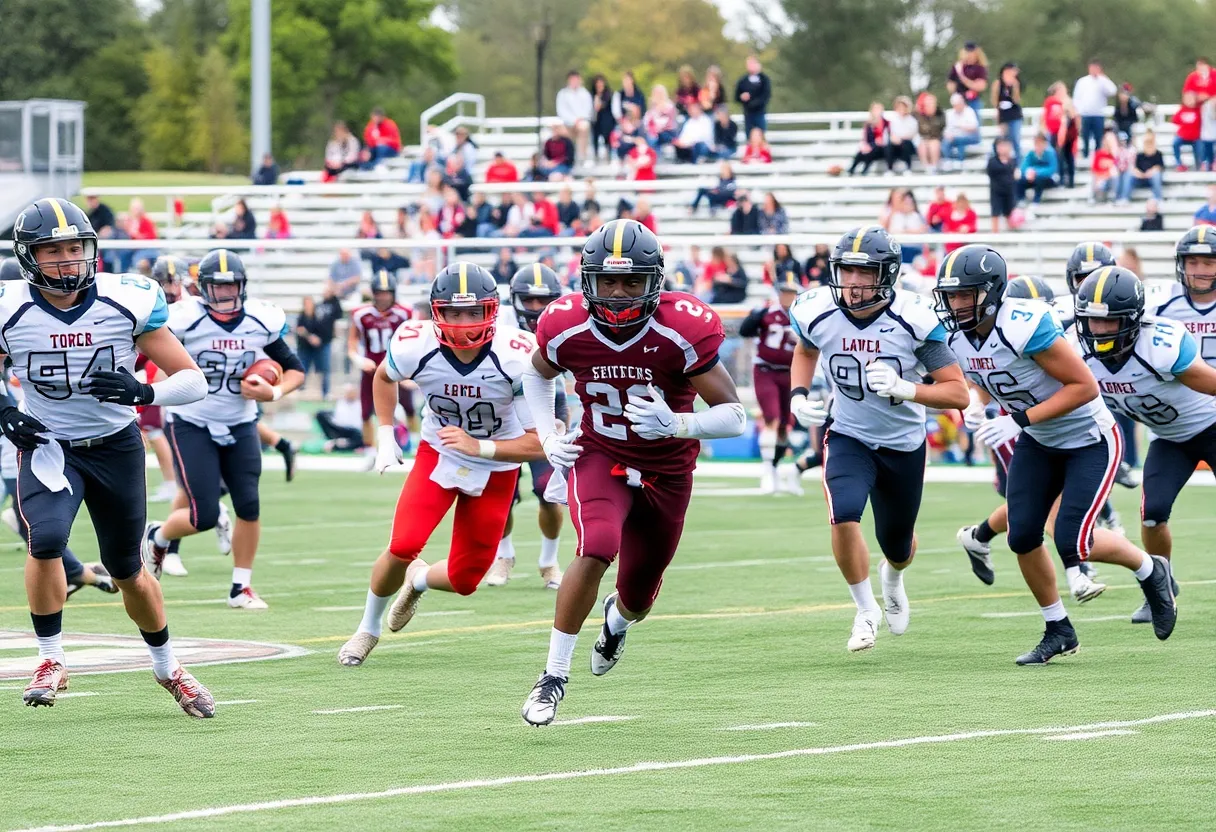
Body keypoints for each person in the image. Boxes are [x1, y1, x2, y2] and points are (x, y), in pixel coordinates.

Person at [518, 219, 745, 726]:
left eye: (631, 282)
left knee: (638, 597)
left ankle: (616, 624)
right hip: (601, 454)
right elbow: (535, 374)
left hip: (668, 471)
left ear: (655, 283)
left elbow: (734, 415)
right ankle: (553, 675)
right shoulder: (565, 324)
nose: (618, 294)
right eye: (607, 281)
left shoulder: (681, 328)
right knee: (596, 545)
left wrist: (677, 422)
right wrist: (548, 435)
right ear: (586, 281)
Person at [1, 198, 214, 715]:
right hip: (50, 446)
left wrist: (144, 392)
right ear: (29, 257)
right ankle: (51, 659)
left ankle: (169, 668)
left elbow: (193, 380)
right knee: (46, 539)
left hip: (116, 446)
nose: (68, 260)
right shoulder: (10, 307)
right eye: (53, 251)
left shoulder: (126, 300)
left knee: (127, 569)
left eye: (75, 248)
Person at [933, 245, 1177, 664]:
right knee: (1023, 534)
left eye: (965, 295)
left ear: (991, 293)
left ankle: (1151, 570)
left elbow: (1084, 387)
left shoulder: (1023, 325)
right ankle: (1058, 628)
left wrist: (1018, 419)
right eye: (951, 296)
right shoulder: (956, 334)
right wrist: (976, 403)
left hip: (1089, 438)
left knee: (1072, 541)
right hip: (1041, 440)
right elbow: (982, 374)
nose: (956, 305)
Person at [338, 263, 544, 667]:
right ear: (436, 312)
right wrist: (384, 435)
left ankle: (417, 580)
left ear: (493, 311)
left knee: (466, 580)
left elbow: (539, 443)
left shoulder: (518, 355)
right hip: (440, 451)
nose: (464, 323)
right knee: (401, 546)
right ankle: (368, 629)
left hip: (497, 462)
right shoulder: (415, 342)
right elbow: (383, 377)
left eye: (473, 312)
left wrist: (479, 447)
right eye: (453, 312)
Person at [788, 227, 969, 653]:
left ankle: (893, 576)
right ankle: (865, 609)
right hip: (849, 433)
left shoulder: (913, 318)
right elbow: (805, 348)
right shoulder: (818, 310)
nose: (852, 282)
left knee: (899, 545)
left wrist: (908, 388)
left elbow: (957, 392)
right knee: (844, 513)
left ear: (886, 274)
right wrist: (798, 395)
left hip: (903, 443)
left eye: (863, 273)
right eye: (846, 271)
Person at [142, 249, 304, 609]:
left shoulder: (261, 319)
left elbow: (295, 368)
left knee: (249, 505)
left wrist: (273, 390)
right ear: (202, 289)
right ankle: (158, 534)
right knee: (205, 515)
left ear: (243, 286)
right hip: (192, 421)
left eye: (233, 286)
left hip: (241, 420)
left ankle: (240, 587)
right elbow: (151, 358)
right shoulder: (183, 319)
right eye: (218, 288)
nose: (226, 295)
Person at [1074, 265, 1215, 623]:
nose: (1100, 330)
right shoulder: (1075, 351)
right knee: (1153, 516)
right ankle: (1161, 589)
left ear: (1134, 319)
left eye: (1111, 321)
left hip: (1211, 425)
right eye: (1093, 321)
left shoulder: (1161, 345)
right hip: (1169, 440)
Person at [484, 263, 570, 590]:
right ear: (514, 299)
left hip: (548, 406)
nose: (535, 308)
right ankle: (504, 555)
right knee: (501, 494)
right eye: (529, 301)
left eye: (543, 300)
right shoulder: (497, 321)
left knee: (549, 489)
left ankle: (549, 561)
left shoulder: (565, 320)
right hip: (503, 410)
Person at [739, 272, 804, 495]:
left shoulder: (803, 316)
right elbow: (744, 331)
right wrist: (755, 316)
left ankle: (775, 467)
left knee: (786, 426)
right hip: (766, 370)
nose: (788, 297)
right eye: (785, 292)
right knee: (772, 418)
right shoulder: (767, 312)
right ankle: (767, 470)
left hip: (790, 373)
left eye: (792, 292)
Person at [348, 271, 414, 453]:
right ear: (373, 293)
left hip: (397, 367)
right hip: (372, 368)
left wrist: (412, 370)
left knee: (409, 407)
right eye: (380, 292)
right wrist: (358, 359)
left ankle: (414, 444)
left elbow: (414, 340)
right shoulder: (361, 314)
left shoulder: (404, 312)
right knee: (366, 411)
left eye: (387, 292)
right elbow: (352, 343)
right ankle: (370, 449)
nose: (383, 297)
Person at [296, 290, 343, 399]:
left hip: (321, 346)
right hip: (305, 348)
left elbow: (325, 328)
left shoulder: (320, 315)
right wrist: (308, 336)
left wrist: (317, 338)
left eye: (309, 303)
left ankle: (325, 392)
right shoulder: (302, 316)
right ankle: (301, 390)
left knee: (324, 369)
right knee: (302, 369)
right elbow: (299, 330)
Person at [1073, 59, 1116, 158]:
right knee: (1085, 137)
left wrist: (1104, 78)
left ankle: (1098, 156)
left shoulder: (1103, 81)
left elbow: (1113, 91)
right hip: (1085, 114)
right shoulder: (1083, 81)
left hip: (1098, 114)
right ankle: (1085, 156)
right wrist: (1078, 112)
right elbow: (1077, 98)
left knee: (1098, 138)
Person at [555, 70, 593, 165]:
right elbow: (561, 111)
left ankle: (581, 158)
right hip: (567, 124)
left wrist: (578, 119)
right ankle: (561, 158)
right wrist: (572, 120)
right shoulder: (563, 94)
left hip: (580, 122)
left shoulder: (585, 94)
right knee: (555, 129)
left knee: (584, 127)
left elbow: (588, 110)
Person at [1117, 132, 1165, 204]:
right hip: (1140, 178)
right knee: (1129, 174)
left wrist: (1151, 172)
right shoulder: (1140, 155)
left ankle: (1158, 198)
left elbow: (1160, 167)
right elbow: (1135, 168)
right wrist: (1139, 174)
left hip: (1152, 178)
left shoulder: (1158, 154)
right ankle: (1124, 198)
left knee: (1156, 175)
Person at [1016, 133, 1059, 212]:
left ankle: (1036, 201)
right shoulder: (1031, 153)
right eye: (1036, 143)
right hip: (1033, 177)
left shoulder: (1050, 153)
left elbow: (1052, 169)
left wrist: (1036, 172)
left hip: (1048, 178)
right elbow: (1024, 166)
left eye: (1040, 143)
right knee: (1020, 179)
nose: (1038, 146)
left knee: (1040, 179)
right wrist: (1028, 172)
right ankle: (1021, 199)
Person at [848, 102, 893, 176]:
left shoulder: (886, 123)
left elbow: (886, 138)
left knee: (872, 149)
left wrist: (874, 144)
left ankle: (864, 170)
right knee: (862, 152)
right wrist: (866, 146)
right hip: (871, 146)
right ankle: (852, 169)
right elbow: (865, 138)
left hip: (882, 149)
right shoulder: (868, 124)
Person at [946, 42, 989, 120]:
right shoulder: (957, 67)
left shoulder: (980, 68)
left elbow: (981, 86)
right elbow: (950, 84)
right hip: (959, 101)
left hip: (972, 101)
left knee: (973, 124)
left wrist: (964, 79)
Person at [317, 384, 365, 451]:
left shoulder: (360, 405)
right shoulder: (341, 403)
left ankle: (337, 446)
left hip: (353, 431)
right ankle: (335, 441)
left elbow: (359, 423)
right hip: (340, 428)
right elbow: (337, 419)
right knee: (320, 414)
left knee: (358, 437)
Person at [734, 55, 771, 137]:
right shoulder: (743, 80)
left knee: (761, 137)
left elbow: (766, 96)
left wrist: (754, 103)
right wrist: (742, 97)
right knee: (749, 137)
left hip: (760, 113)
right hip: (748, 114)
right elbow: (736, 97)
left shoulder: (764, 79)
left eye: (752, 64)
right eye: (748, 64)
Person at [993, 62, 1023, 162]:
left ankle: (1018, 162)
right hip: (1003, 115)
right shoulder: (997, 84)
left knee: (1015, 139)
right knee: (1003, 139)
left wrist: (1014, 86)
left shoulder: (1016, 83)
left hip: (1014, 115)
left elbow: (1017, 100)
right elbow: (995, 101)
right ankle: (1003, 162)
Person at [942, 93, 981, 170]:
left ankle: (960, 161)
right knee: (945, 142)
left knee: (960, 140)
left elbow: (974, 127)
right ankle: (948, 160)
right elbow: (947, 128)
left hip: (969, 136)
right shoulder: (949, 113)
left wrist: (961, 127)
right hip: (954, 137)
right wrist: (948, 134)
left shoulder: (969, 111)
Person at [988, 138, 1018, 232]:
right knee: (995, 213)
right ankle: (995, 233)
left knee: (1009, 212)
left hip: (1009, 190)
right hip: (996, 191)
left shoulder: (1012, 161)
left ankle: (1011, 232)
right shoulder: (993, 161)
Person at [1172, 91, 1203, 171]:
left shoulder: (1199, 110)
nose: (1189, 101)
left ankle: (1198, 166)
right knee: (1175, 143)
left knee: (1199, 149)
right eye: (1187, 99)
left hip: (1195, 137)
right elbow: (1175, 120)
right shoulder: (1182, 110)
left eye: (1191, 99)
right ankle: (1179, 164)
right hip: (1183, 136)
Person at [915, 93, 946, 173]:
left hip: (937, 139)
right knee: (922, 145)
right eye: (927, 104)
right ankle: (926, 168)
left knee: (934, 144)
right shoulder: (919, 115)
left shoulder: (940, 114)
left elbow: (939, 130)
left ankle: (934, 167)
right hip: (923, 140)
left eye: (931, 103)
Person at [887, 96, 919, 171]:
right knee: (889, 145)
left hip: (908, 145)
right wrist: (894, 138)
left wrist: (900, 138)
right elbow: (891, 133)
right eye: (899, 107)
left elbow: (911, 135)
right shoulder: (893, 119)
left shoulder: (912, 120)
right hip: (896, 144)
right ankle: (890, 169)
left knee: (905, 143)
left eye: (903, 107)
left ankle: (908, 167)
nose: (901, 109)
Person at [1089, 131, 1121, 204]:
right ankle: (1093, 197)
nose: (1108, 143)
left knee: (1114, 171)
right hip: (1100, 179)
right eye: (1107, 141)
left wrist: (1114, 152)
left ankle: (1113, 196)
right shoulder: (1098, 154)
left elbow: (1117, 169)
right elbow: (1094, 170)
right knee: (1099, 181)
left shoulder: (1114, 155)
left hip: (1110, 180)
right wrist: (1104, 175)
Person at [590, 74, 616, 163]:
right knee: (595, 138)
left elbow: (601, 106)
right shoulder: (592, 94)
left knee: (607, 139)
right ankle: (596, 156)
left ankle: (608, 156)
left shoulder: (609, 94)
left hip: (607, 120)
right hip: (596, 121)